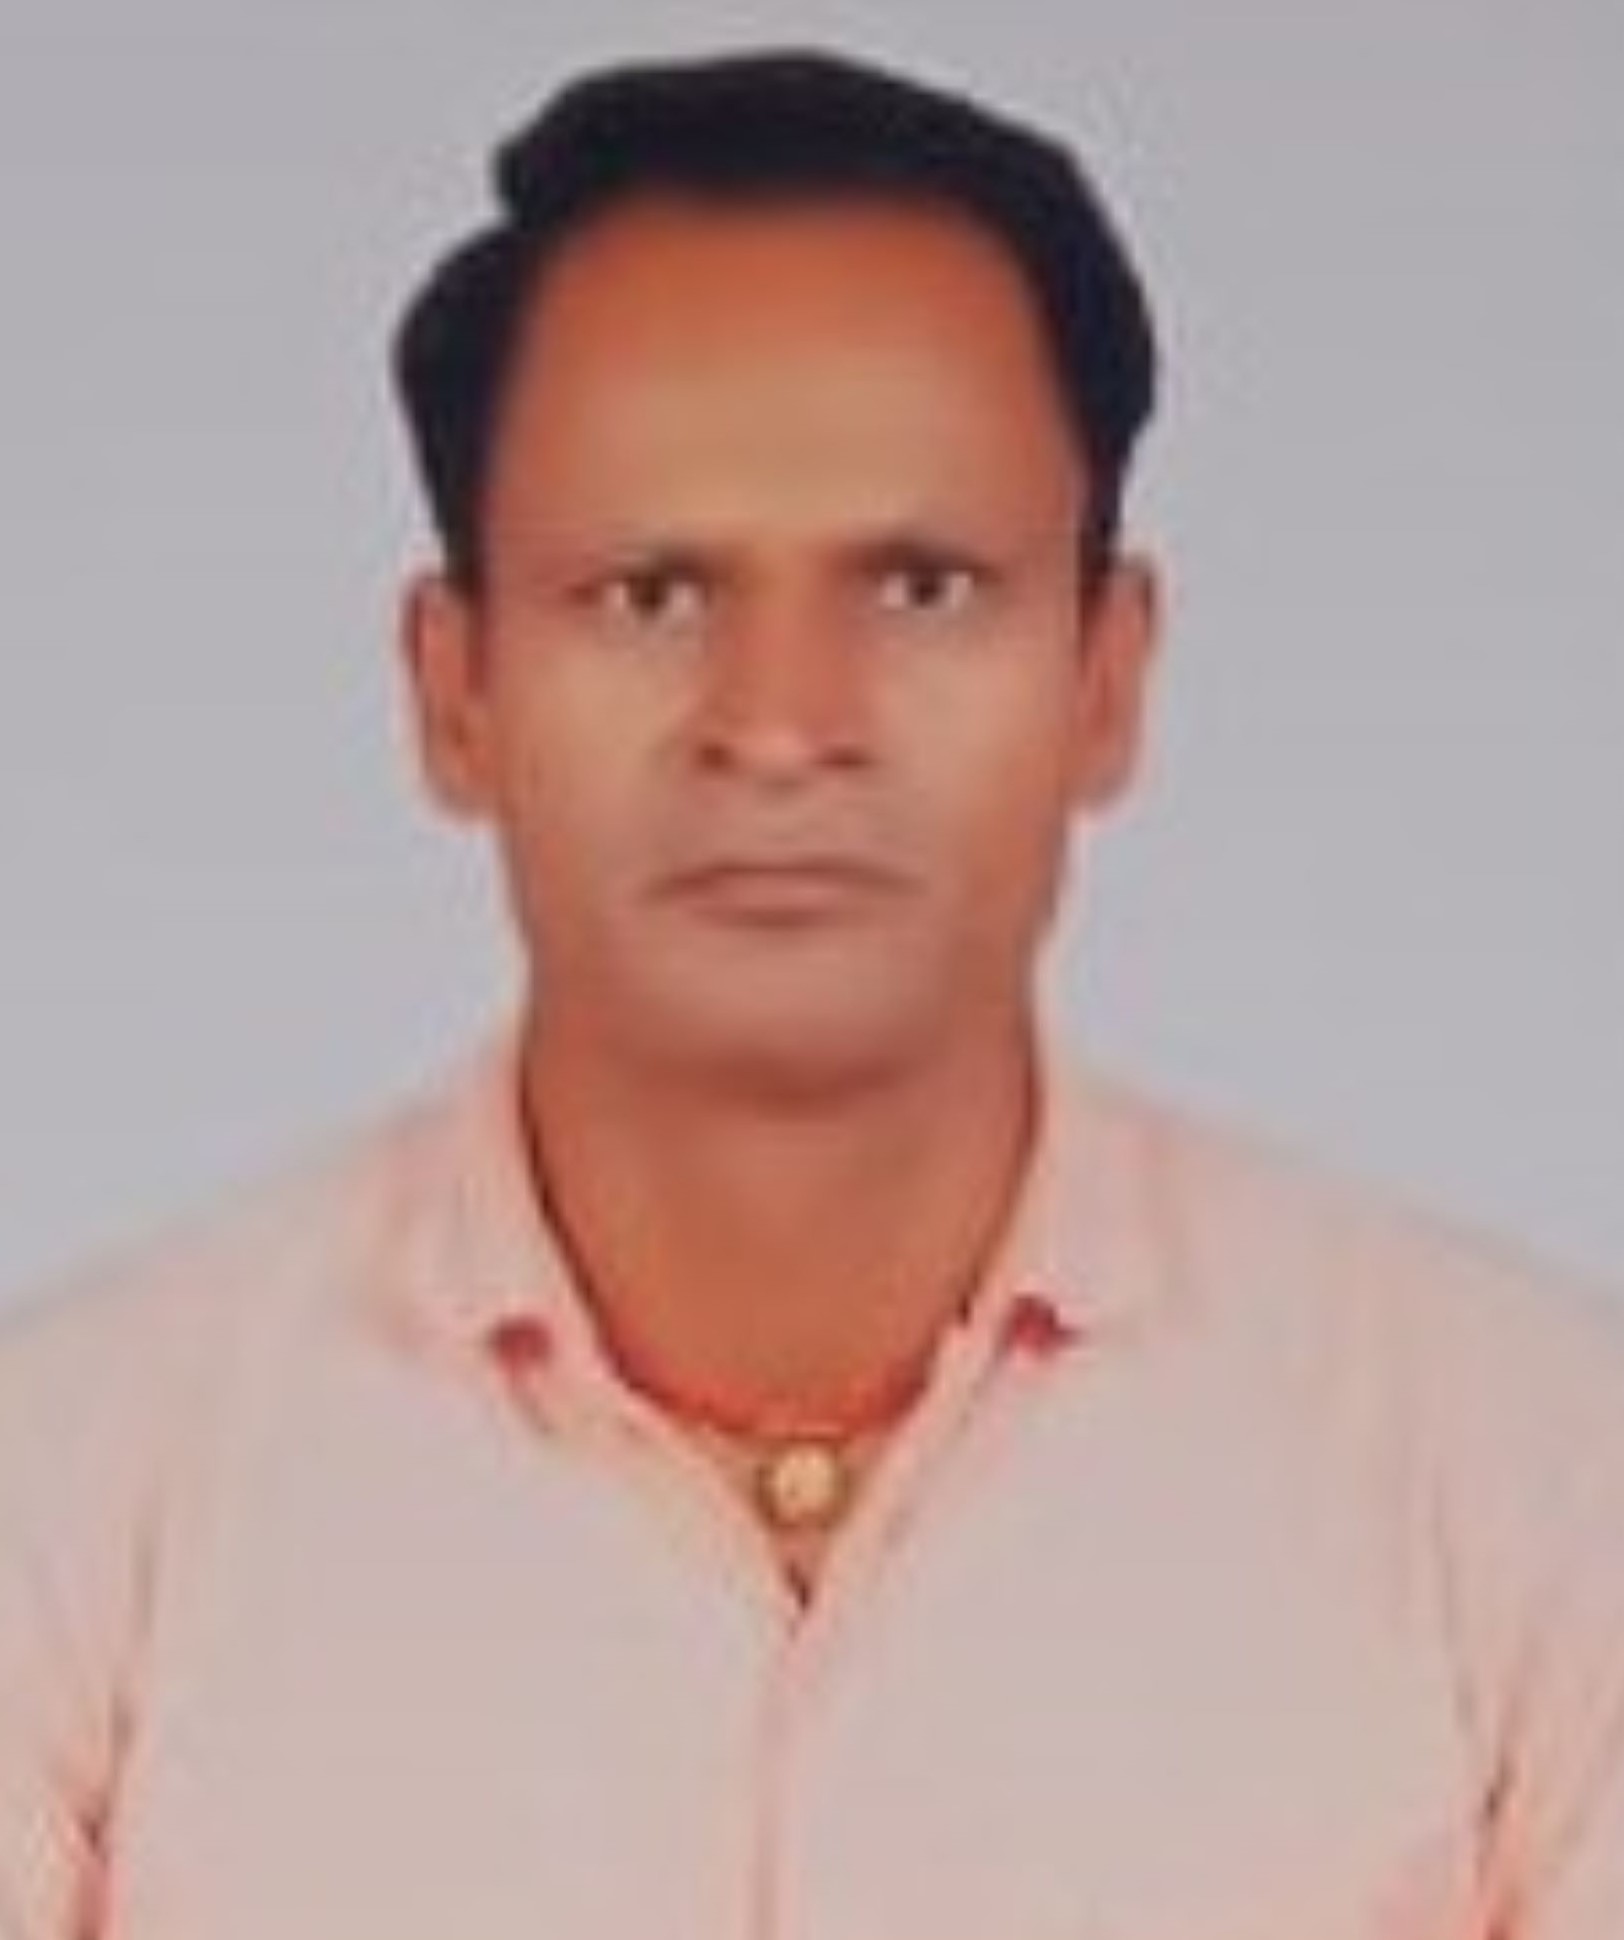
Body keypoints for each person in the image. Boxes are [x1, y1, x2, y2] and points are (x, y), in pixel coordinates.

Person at [1, 47, 1621, 1940]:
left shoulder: (1535, 1487)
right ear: (456, 691)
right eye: (651, 594)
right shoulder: (75, 1509)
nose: (780, 725)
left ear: (1107, 676)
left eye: (924, 588)